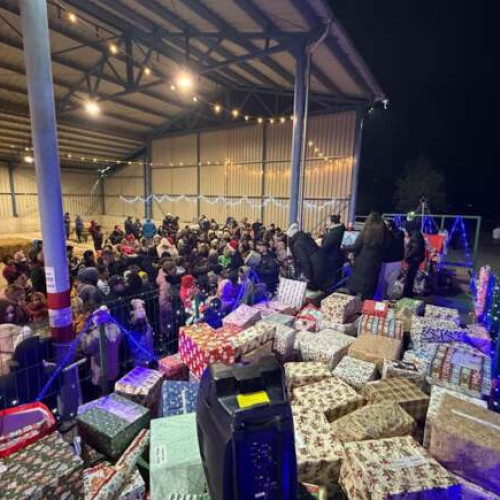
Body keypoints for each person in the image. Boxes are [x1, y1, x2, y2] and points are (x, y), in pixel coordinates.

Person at [347, 212, 386, 300]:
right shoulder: (383, 234)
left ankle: (352, 305)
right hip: (375, 264)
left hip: (361, 264)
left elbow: (355, 247)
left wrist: (342, 247)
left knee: (353, 288)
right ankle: (367, 306)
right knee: (369, 291)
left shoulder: (365, 233)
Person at [286, 223, 327, 291]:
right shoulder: (305, 237)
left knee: (314, 290)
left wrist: (307, 279)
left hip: (314, 269)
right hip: (321, 265)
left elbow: (304, 262)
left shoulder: (297, 245)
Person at [377, 219, 405, 299]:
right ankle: (387, 299)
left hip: (386, 262)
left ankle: (381, 300)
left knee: (382, 283)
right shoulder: (400, 234)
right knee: (391, 283)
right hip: (397, 262)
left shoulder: (386, 235)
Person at [403, 219, 426, 298]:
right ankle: (408, 293)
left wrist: (407, 257)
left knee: (409, 278)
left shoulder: (415, 235)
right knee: (410, 278)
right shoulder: (417, 234)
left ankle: (406, 295)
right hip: (416, 259)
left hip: (414, 260)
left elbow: (415, 249)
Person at [322, 214, 346, 287]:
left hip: (333, 259)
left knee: (332, 280)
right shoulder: (340, 229)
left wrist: (322, 241)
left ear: (332, 223)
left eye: (327, 221)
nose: (326, 222)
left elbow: (326, 246)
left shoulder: (334, 232)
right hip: (338, 257)